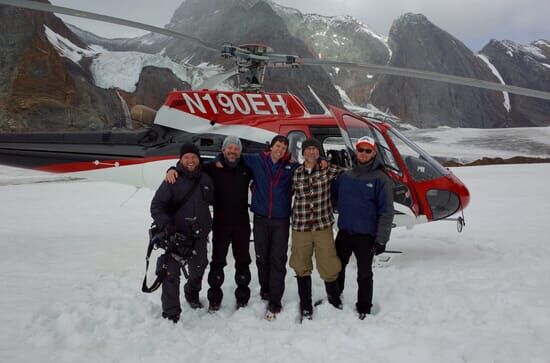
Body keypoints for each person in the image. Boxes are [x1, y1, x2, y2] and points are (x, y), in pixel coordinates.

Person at [166, 136, 253, 311]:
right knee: (217, 262)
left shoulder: (247, 168)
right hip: (221, 224)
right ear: (223, 150)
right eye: (229, 148)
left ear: (240, 151)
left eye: (236, 148)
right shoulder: (212, 168)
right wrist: (172, 169)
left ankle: (242, 297)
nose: (232, 151)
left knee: (243, 262)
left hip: (242, 224)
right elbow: (190, 169)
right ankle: (214, 298)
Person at [150, 143, 214, 323]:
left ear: (199, 159)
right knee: (171, 274)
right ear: (180, 159)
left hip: (199, 235)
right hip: (175, 236)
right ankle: (171, 312)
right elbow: (156, 206)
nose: (190, 160)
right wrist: (166, 225)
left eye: (193, 157)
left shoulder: (206, 180)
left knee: (198, 269)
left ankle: (191, 293)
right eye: (186, 157)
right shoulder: (172, 179)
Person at [239, 135, 300, 319]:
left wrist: (321, 162)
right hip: (260, 218)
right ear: (271, 147)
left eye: (283, 147)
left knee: (278, 260)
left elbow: (310, 167)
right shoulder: (257, 160)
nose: (280, 150)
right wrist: (218, 160)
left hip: (281, 220)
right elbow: (232, 155)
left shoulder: (291, 166)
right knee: (261, 257)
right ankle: (265, 289)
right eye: (277, 146)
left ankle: (275, 300)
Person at [334, 136, 394, 320]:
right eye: (361, 150)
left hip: (366, 236)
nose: (364, 154)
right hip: (345, 232)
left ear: (374, 153)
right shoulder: (345, 176)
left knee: (365, 273)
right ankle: (335, 298)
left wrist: (382, 238)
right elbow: (334, 199)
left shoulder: (380, 179)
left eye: (368, 151)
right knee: (337, 268)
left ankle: (364, 307)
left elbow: (386, 211)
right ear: (356, 152)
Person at [290, 138, 343, 319]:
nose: (311, 152)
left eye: (315, 149)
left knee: (328, 264)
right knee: (301, 265)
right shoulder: (295, 173)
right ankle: (305, 304)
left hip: (322, 226)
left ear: (319, 153)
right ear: (303, 152)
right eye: (308, 149)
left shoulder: (328, 170)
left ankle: (334, 300)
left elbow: (348, 174)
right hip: (301, 226)